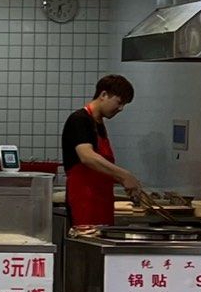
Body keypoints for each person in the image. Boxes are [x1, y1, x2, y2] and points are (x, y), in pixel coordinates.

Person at [61, 73, 150, 227]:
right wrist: (124, 176)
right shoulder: (79, 119)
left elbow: (101, 167)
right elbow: (87, 157)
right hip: (84, 202)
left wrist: (127, 182)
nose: (121, 108)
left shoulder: (99, 124)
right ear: (103, 94)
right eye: (119, 102)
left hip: (102, 203)